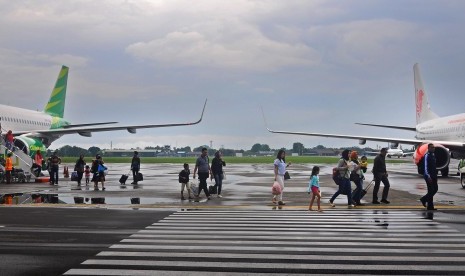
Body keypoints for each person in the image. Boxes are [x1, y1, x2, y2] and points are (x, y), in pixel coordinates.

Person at [420, 143, 438, 210]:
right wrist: (428, 176)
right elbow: (425, 167)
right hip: (429, 176)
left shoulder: (433, 155)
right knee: (431, 191)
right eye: (432, 147)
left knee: (435, 189)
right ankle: (430, 206)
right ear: (429, 148)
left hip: (434, 175)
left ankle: (424, 199)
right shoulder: (427, 156)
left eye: (434, 147)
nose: (433, 148)